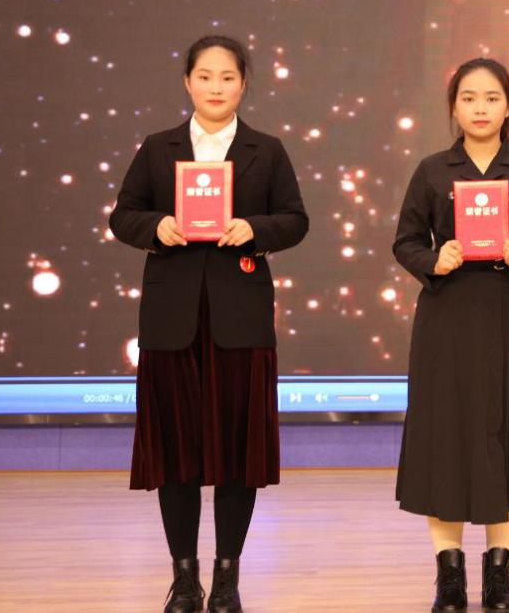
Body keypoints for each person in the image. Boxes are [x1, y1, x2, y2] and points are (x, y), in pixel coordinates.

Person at [110, 35, 309, 613]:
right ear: (187, 82)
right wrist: (156, 226)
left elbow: (295, 219)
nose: (216, 87)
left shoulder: (266, 150)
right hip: (172, 320)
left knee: (236, 455)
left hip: (239, 320)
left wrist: (255, 229)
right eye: (205, 76)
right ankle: (184, 579)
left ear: (243, 84)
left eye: (227, 77)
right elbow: (123, 215)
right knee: (176, 454)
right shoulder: (158, 148)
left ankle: (226, 578)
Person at [393, 58, 509, 612]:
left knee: (506, 436)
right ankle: (448, 577)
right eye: (469, 98)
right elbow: (405, 242)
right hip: (447, 313)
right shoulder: (432, 170)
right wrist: (434, 260)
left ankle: (498, 576)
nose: (480, 107)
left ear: (508, 106)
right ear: (454, 107)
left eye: (492, 97)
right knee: (445, 437)